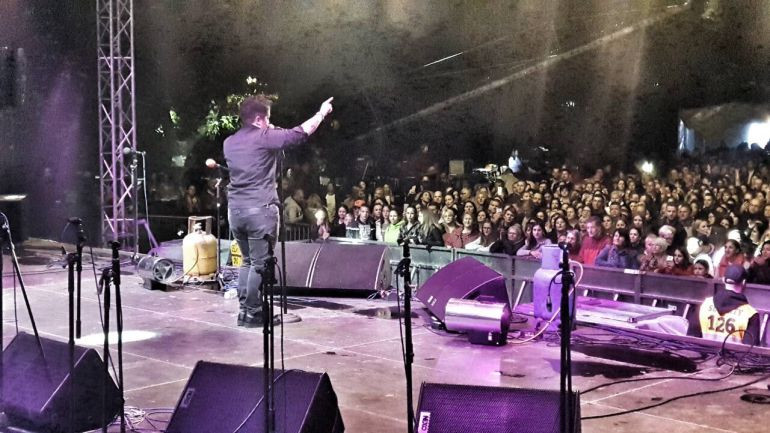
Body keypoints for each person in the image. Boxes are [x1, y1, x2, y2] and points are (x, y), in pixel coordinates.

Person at [224, 95, 333, 327]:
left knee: (247, 262)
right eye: (267, 119)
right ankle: (254, 313)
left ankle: (245, 312)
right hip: (260, 210)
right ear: (259, 119)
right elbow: (299, 133)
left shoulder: (229, 142)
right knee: (259, 264)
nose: (269, 122)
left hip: (235, 211)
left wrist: (270, 131)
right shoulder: (264, 137)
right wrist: (321, 113)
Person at [692, 265, 760, 345]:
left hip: (704, 353)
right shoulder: (750, 314)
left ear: (723, 280)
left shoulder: (704, 304)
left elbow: (691, 340)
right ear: (744, 282)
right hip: (732, 354)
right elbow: (750, 349)